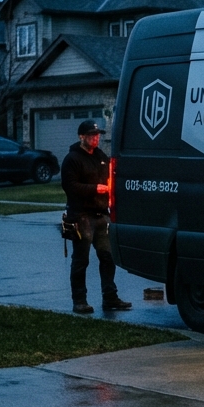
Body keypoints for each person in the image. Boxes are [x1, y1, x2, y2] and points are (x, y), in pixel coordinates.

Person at [60, 120, 131, 314]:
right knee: (81, 259)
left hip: (101, 214)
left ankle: (110, 297)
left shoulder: (101, 156)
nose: (96, 138)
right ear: (81, 136)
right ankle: (79, 300)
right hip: (81, 215)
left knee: (108, 257)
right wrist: (94, 189)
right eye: (92, 135)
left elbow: (111, 176)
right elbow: (69, 186)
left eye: (97, 135)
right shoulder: (72, 159)